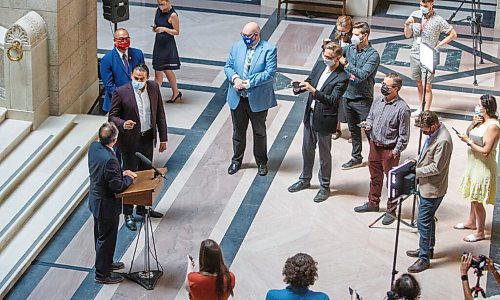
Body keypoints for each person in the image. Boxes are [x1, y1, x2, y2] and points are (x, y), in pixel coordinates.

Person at [109, 64, 168, 231]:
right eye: (135, 78)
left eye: (141, 79)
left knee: (146, 174)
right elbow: (112, 116)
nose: (138, 82)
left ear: (147, 78)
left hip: (147, 137)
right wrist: (123, 124)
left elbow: (160, 114)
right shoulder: (121, 92)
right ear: (131, 76)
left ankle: (142, 208)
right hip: (129, 141)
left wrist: (163, 138)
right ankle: (127, 213)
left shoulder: (154, 88)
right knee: (129, 174)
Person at [287, 42, 349, 203]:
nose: (325, 59)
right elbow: (310, 80)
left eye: (329, 57)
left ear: (337, 58)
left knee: (324, 156)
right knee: (307, 150)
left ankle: (324, 186)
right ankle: (304, 179)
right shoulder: (320, 65)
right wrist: (299, 87)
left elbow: (333, 100)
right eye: (324, 55)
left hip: (325, 119)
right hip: (310, 115)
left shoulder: (342, 77)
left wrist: (313, 91)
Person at [353, 73, 411, 226]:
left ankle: (391, 211)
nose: (383, 87)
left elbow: (404, 135)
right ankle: (373, 203)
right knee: (374, 177)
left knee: (392, 182)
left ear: (396, 89)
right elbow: (371, 116)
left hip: (389, 149)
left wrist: (395, 152)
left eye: (387, 85)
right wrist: (368, 124)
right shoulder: (378, 100)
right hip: (374, 145)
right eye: (383, 83)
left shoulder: (403, 109)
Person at [224, 21, 277, 176]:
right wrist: (235, 79)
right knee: (238, 132)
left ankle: (261, 162)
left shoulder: (269, 49)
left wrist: (247, 83)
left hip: (257, 99)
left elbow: (269, 73)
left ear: (256, 34)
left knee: (259, 132)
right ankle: (236, 160)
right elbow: (228, 66)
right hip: (238, 98)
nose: (244, 38)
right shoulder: (237, 46)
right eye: (243, 35)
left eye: (247, 36)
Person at [88, 122, 136, 284]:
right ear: (114, 140)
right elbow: (117, 186)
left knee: (101, 236)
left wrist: (120, 173)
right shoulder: (110, 159)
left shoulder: (94, 147)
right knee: (106, 238)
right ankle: (102, 274)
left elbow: (104, 174)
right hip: (106, 205)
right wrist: (128, 177)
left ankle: (106, 262)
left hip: (96, 200)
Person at [406, 111, 453, 273]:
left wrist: (415, 171)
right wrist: (415, 160)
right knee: (428, 219)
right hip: (426, 185)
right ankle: (428, 249)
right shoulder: (434, 134)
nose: (423, 132)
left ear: (434, 125)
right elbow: (427, 153)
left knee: (423, 222)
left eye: (425, 129)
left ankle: (424, 258)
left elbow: (436, 167)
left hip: (433, 188)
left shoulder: (443, 141)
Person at [456, 94, 499, 242]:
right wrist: (472, 124)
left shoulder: (493, 126)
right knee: (473, 197)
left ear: (486, 108)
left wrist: (468, 142)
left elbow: (486, 151)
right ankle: (471, 222)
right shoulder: (480, 121)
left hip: (484, 167)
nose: (477, 107)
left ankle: (480, 232)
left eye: (479, 105)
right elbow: (469, 133)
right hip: (474, 164)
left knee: (477, 199)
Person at [404, 0, 457, 115]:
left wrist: (439, 45)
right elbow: (407, 35)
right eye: (420, 5)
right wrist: (407, 24)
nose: (422, 7)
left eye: (425, 6)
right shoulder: (415, 14)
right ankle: (421, 107)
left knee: (427, 86)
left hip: (429, 54)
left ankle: (426, 112)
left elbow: (453, 34)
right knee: (418, 83)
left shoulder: (438, 20)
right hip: (415, 53)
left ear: (431, 4)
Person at [339, 21, 380, 170]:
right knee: (353, 130)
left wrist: (348, 66)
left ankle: (376, 159)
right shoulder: (349, 49)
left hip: (363, 98)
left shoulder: (373, 55)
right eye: (353, 34)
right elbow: (336, 55)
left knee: (370, 131)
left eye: (356, 35)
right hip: (347, 95)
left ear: (365, 35)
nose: (353, 37)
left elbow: (362, 75)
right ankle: (356, 157)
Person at [100, 28, 145, 112]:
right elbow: (109, 86)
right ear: (115, 40)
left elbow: (143, 76)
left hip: (137, 101)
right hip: (117, 103)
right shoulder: (107, 59)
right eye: (121, 39)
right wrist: (127, 98)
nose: (124, 41)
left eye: (126, 38)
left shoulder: (138, 54)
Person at [153, 0, 182, 103]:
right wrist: (156, 29)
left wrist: (164, 29)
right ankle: (176, 92)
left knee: (159, 70)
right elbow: (157, 24)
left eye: (162, 4)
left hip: (167, 45)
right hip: (159, 43)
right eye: (159, 4)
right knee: (166, 69)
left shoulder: (173, 15)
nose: (160, 6)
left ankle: (154, 96)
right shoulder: (158, 11)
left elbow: (176, 31)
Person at [332, 15, 353, 140]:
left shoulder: (353, 41)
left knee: (349, 104)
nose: (341, 34)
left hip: (349, 73)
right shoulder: (336, 39)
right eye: (339, 31)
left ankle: (352, 131)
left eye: (344, 32)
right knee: (336, 102)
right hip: (337, 73)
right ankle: (336, 128)